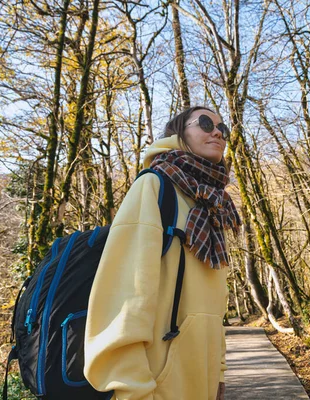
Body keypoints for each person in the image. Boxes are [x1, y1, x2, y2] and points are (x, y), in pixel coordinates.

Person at [84, 106, 241, 400]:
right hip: (154, 387)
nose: (218, 132)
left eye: (223, 128)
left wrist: (218, 372)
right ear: (177, 134)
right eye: (206, 123)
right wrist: (133, 389)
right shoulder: (154, 186)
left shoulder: (213, 205)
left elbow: (214, 305)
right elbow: (121, 298)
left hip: (202, 384)